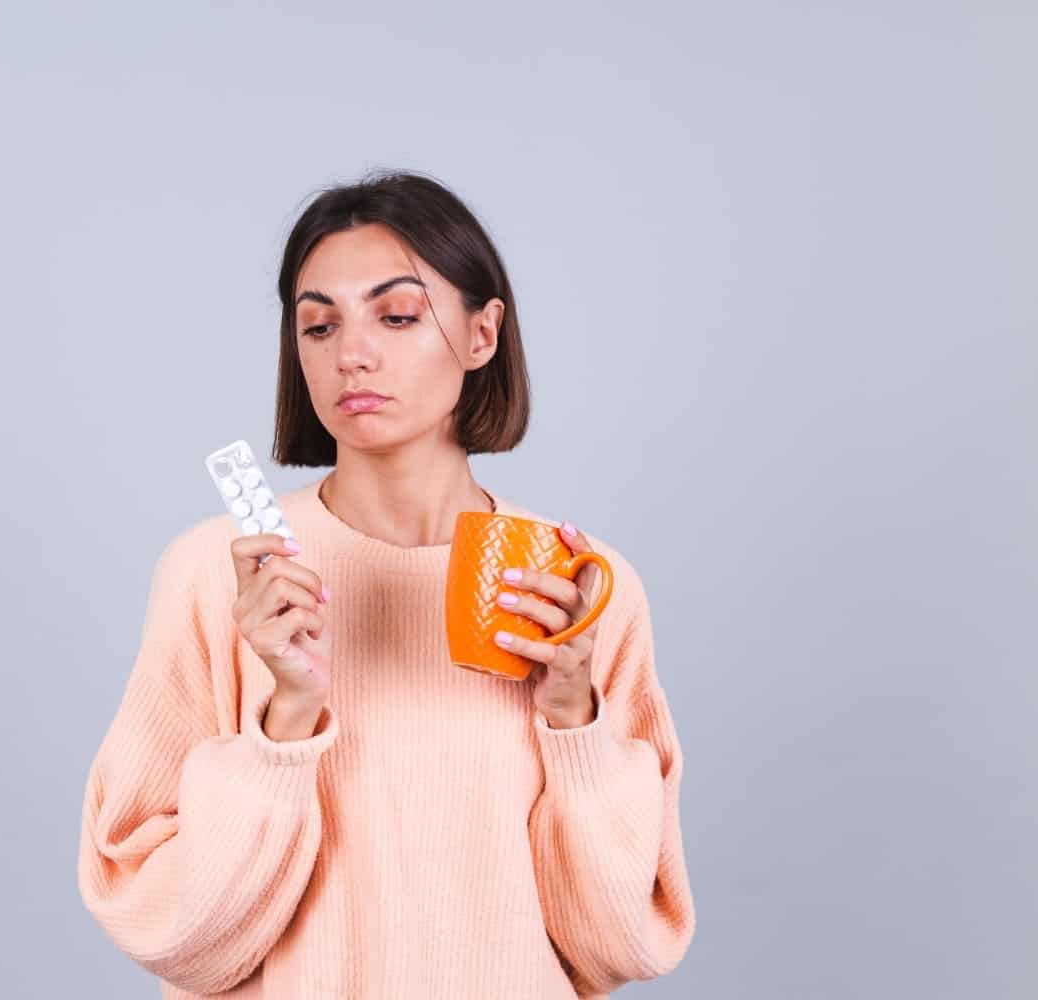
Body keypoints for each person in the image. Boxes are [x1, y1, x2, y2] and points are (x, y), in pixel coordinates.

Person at [76, 170, 696, 998]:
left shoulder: (578, 588)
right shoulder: (221, 575)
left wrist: (572, 720)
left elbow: (619, 946)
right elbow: (164, 924)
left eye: (398, 316)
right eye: (318, 325)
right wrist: (283, 723)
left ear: (482, 335)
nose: (351, 353)